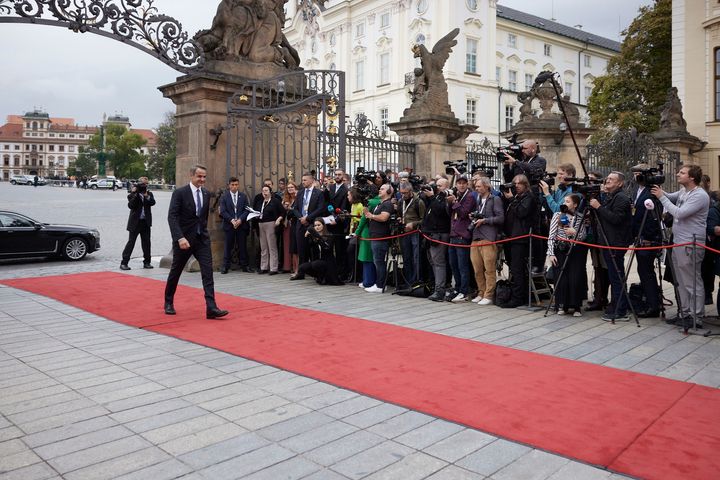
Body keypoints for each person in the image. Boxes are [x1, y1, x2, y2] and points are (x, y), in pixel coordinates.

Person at [164, 165, 228, 319]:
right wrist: (179, 238)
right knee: (176, 271)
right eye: (199, 176)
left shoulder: (206, 194)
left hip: (201, 240)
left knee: (207, 272)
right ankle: (168, 302)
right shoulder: (180, 193)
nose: (202, 180)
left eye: (204, 177)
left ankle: (211, 308)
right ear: (191, 175)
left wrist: (204, 233)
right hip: (183, 241)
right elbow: (172, 217)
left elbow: (202, 218)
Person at [652, 164, 710, 327]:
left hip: (690, 243)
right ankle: (685, 313)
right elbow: (670, 197)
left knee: (692, 280)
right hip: (679, 241)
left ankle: (696, 316)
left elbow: (679, 213)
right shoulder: (685, 191)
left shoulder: (699, 195)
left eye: (682, 173)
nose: (678, 174)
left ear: (692, 177)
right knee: (681, 281)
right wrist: (659, 191)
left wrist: (661, 197)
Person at [589, 171, 633, 322]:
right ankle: (616, 305)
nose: (607, 181)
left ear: (620, 183)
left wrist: (599, 206)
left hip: (615, 242)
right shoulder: (611, 196)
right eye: (607, 179)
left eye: (611, 179)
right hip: (608, 241)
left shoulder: (621, 198)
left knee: (617, 277)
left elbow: (615, 219)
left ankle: (620, 310)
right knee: (614, 276)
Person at [629, 165, 663, 318]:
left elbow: (652, 218)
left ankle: (653, 306)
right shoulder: (638, 191)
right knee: (643, 272)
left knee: (647, 272)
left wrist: (648, 238)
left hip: (647, 239)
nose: (635, 177)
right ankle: (650, 301)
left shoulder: (652, 193)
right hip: (639, 236)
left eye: (638, 174)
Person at [547, 194, 588, 316]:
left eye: (568, 201)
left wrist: (574, 232)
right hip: (560, 250)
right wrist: (550, 253)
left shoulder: (580, 217)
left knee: (575, 278)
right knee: (561, 279)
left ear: (575, 204)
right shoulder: (557, 215)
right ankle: (561, 305)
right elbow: (551, 236)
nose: (565, 203)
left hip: (575, 251)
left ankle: (576, 306)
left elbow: (583, 236)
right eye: (564, 201)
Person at [501, 174, 538, 308]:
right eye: (514, 183)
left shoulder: (529, 197)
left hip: (521, 239)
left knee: (518, 269)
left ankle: (518, 298)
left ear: (525, 184)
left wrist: (512, 200)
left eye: (519, 184)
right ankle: (517, 294)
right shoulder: (517, 197)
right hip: (511, 237)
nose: (516, 186)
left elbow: (522, 212)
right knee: (513, 268)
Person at [470, 176, 504, 305]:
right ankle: (481, 292)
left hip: (489, 237)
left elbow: (500, 218)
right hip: (476, 236)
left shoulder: (495, 199)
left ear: (486, 186)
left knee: (489, 269)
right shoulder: (477, 199)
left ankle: (489, 295)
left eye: (479, 186)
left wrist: (485, 220)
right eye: (476, 187)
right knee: (477, 269)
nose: (477, 189)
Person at [447, 175, 477, 302]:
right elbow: (450, 213)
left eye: (464, 183)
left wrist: (454, 202)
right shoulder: (457, 195)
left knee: (462, 265)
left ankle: (464, 291)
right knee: (453, 264)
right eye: (459, 183)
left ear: (467, 184)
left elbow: (464, 213)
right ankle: (458, 288)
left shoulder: (470, 196)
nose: (461, 185)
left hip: (462, 235)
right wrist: (449, 203)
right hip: (453, 234)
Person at [423, 178, 452, 301]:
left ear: (446, 186)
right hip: (430, 234)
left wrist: (432, 196)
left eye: (440, 185)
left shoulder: (447, 197)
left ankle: (440, 290)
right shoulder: (435, 198)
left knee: (439, 262)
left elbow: (441, 211)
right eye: (436, 185)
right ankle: (437, 287)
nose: (437, 187)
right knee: (432, 261)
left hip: (440, 233)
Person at [363, 183, 395, 293]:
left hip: (381, 237)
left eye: (382, 189)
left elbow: (384, 217)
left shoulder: (387, 204)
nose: (380, 190)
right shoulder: (380, 204)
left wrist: (372, 216)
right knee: (378, 261)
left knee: (379, 261)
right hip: (375, 236)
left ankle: (380, 285)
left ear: (389, 192)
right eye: (380, 189)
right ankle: (380, 283)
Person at [120, 176, 155, 270]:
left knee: (147, 243)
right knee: (131, 242)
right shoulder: (132, 194)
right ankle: (124, 263)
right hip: (135, 222)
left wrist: (147, 196)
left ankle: (147, 262)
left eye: (146, 184)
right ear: (139, 184)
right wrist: (135, 193)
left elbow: (153, 203)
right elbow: (131, 205)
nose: (145, 186)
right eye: (143, 184)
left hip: (145, 222)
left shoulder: (149, 194)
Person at [293, 220, 344, 285]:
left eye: (319, 225)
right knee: (302, 267)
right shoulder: (313, 236)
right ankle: (320, 277)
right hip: (318, 262)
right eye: (315, 226)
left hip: (328, 263)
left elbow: (326, 248)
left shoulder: (330, 235)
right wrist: (307, 237)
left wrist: (317, 237)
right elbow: (307, 247)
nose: (317, 227)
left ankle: (325, 278)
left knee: (316, 264)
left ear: (323, 225)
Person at [218, 177, 250, 274]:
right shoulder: (224, 197)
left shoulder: (243, 196)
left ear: (238, 185)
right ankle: (225, 266)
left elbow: (247, 209)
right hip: (229, 225)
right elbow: (223, 211)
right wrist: (232, 220)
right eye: (232, 185)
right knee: (228, 246)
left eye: (236, 185)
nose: (234, 187)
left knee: (242, 246)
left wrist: (240, 220)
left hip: (241, 225)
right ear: (229, 185)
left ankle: (244, 265)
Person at [293, 173, 326, 265]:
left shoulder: (318, 193)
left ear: (311, 181)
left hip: (312, 223)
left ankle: (315, 271)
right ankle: (301, 271)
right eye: (302, 180)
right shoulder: (300, 193)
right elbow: (295, 208)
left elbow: (321, 208)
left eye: (305, 180)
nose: (303, 182)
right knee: (301, 248)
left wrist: (307, 218)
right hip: (300, 224)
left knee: (313, 248)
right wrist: (301, 218)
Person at [398, 181, 426, 288]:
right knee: (406, 257)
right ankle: (408, 281)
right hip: (404, 232)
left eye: (405, 193)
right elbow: (400, 214)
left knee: (416, 257)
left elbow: (424, 220)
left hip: (415, 233)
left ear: (410, 191)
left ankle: (417, 280)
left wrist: (413, 224)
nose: (403, 195)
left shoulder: (418, 202)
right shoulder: (401, 201)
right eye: (401, 193)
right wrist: (400, 219)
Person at [253, 185, 284, 275]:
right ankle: (264, 267)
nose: (264, 192)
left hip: (271, 224)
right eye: (263, 191)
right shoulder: (260, 202)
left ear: (270, 192)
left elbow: (282, 212)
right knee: (263, 247)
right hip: (261, 224)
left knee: (272, 246)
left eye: (266, 190)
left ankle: (273, 268)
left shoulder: (275, 201)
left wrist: (279, 219)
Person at [281, 181, 299, 275]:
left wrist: (290, 209)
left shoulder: (299, 198)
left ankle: (297, 268)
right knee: (289, 246)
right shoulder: (285, 199)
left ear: (295, 188)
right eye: (288, 188)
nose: (290, 189)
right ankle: (288, 266)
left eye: (292, 187)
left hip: (296, 223)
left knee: (296, 247)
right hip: (287, 224)